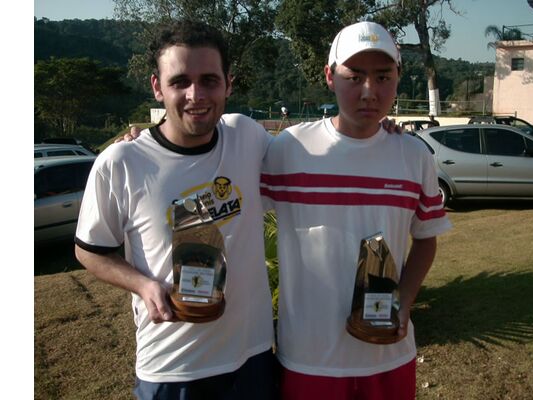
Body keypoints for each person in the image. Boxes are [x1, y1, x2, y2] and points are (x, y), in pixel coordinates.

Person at [74, 21, 276, 400]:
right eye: (180, 81)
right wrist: (143, 285)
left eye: (209, 80)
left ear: (228, 84)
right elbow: (90, 250)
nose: (195, 95)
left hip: (251, 356)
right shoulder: (122, 162)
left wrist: (381, 135)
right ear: (157, 86)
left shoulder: (247, 137)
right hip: (171, 366)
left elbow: (316, 151)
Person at [260, 21, 452, 399]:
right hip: (308, 358)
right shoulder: (288, 149)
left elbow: (426, 239)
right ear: (329, 76)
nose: (369, 91)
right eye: (354, 76)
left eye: (383, 77)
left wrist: (405, 302)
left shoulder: (413, 155)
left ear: (398, 78)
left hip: (389, 355)